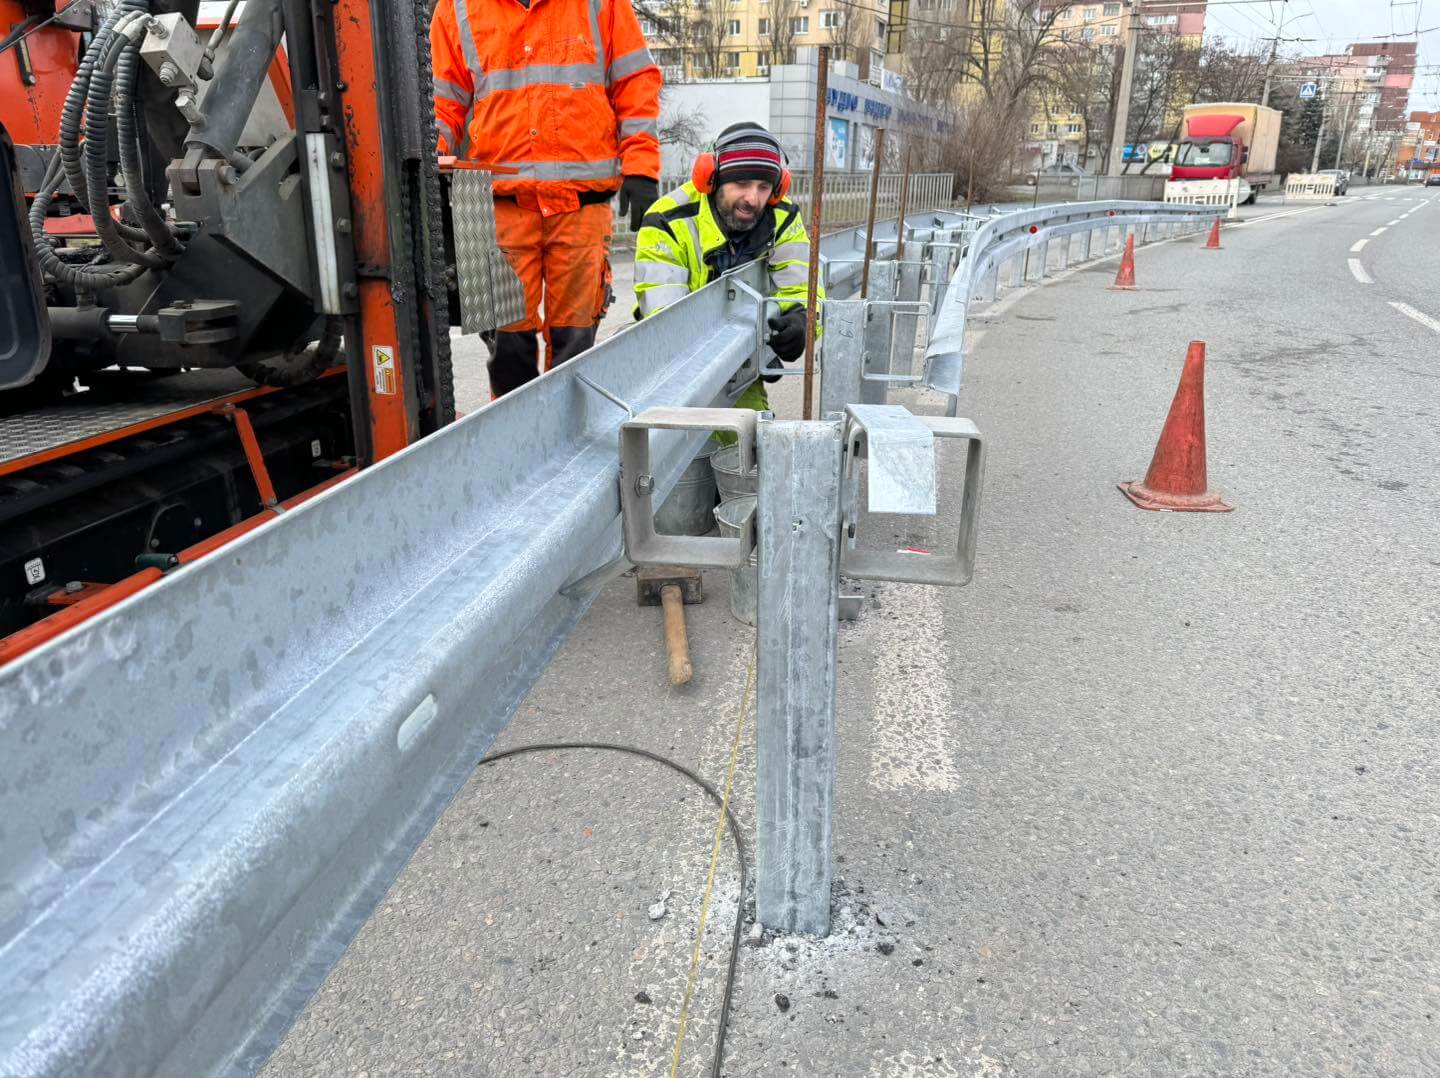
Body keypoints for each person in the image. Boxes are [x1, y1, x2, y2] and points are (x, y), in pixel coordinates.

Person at [430, 0, 661, 396]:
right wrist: (429, 165)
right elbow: (441, 98)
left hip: (580, 206)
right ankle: (516, 441)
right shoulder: (458, 8)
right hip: (501, 204)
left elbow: (634, 79)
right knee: (507, 346)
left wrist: (641, 164)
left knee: (576, 343)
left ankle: (568, 440)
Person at [633, 123, 820, 413]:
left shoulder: (782, 217)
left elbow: (802, 286)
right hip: (674, 370)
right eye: (741, 184)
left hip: (741, 366)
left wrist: (802, 319)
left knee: (746, 445)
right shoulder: (666, 220)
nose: (753, 199)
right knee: (672, 448)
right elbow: (663, 320)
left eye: (763, 187)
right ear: (711, 178)